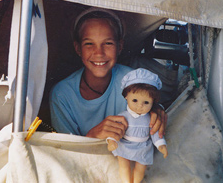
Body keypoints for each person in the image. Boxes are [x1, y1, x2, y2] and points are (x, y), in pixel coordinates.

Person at [50, 8, 167, 143]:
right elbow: (66, 152)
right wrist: (92, 137)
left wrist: (156, 111)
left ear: (120, 46)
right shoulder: (62, 94)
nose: (99, 53)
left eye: (108, 43)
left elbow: (152, 109)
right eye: (89, 44)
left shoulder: (134, 80)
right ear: (78, 49)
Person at [107, 68, 168, 183]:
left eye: (146, 102)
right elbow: (115, 129)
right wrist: (112, 140)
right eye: (135, 100)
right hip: (125, 144)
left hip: (143, 147)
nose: (140, 106)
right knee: (124, 165)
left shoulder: (151, 118)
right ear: (126, 97)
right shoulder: (123, 116)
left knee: (140, 168)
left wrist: (161, 145)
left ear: (153, 102)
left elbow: (154, 133)